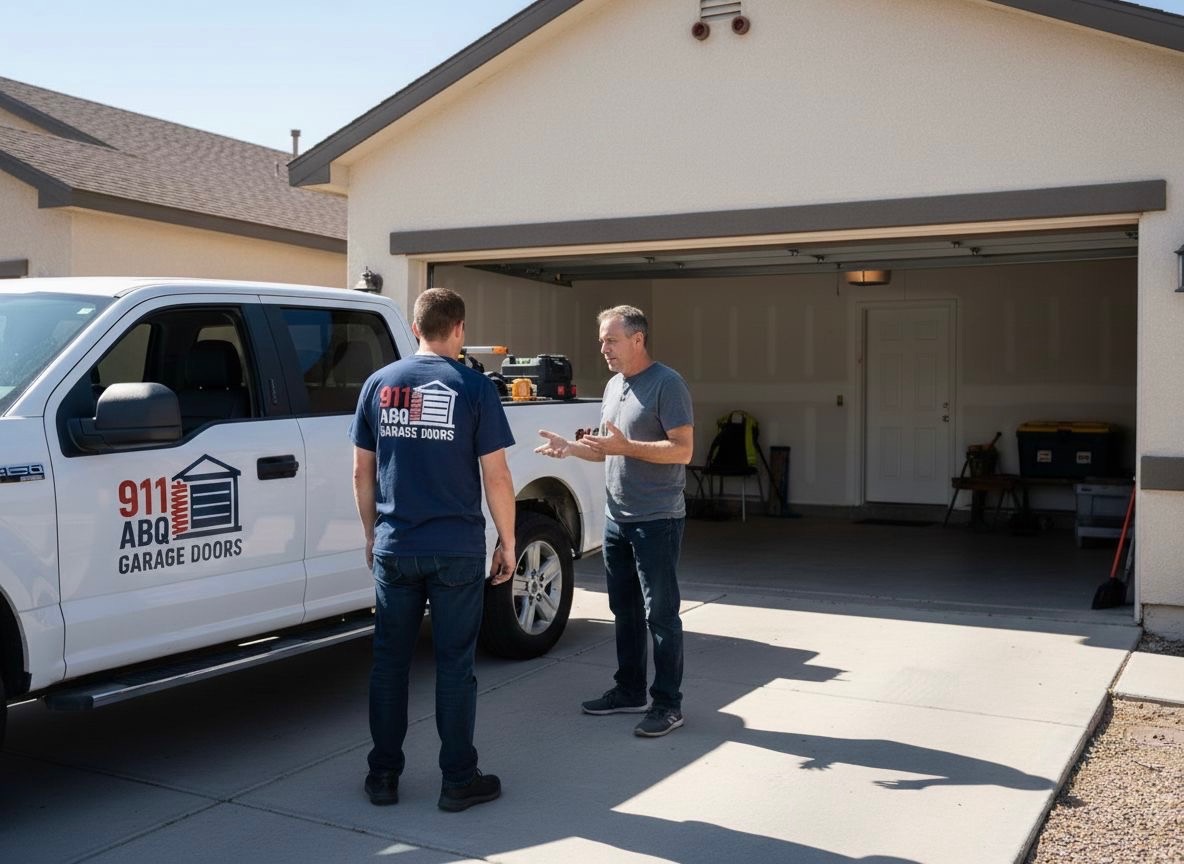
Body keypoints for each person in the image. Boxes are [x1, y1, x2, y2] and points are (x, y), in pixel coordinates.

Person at [350, 287, 517, 811]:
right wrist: (508, 541)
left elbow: (361, 471)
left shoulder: (378, 384)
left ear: (416, 328)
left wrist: (371, 535)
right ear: (460, 329)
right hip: (456, 551)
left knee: (389, 665)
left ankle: (383, 777)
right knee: (454, 666)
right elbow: (496, 475)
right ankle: (458, 780)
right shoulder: (475, 387)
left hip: (396, 546)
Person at [536, 305, 693, 737]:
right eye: (602, 340)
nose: (603, 348)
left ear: (637, 340)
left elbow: (683, 450)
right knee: (624, 610)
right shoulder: (613, 385)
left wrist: (626, 448)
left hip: (656, 519)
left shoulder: (668, 384)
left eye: (611, 340)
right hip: (616, 517)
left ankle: (668, 704)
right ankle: (629, 691)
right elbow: (608, 448)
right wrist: (571, 448)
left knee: (661, 614)